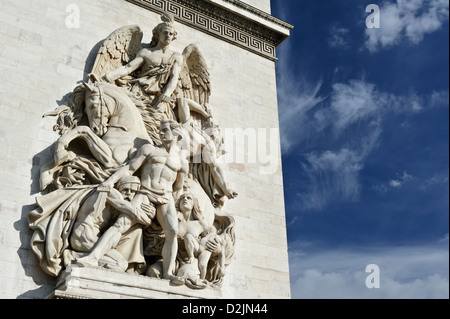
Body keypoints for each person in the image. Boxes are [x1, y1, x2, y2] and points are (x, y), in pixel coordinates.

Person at [95, 119, 189, 284]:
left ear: (176, 134)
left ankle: (167, 273)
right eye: (160, 129)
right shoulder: (149, 149)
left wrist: (176, 208)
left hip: (165, 197)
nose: (160, 132)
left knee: (173, 231)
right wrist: (111, 180)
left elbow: (178, 188)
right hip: (145, 191)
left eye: (165, 130)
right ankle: (93, 256)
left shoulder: (182, 162)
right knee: (121, 223)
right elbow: (130, 168)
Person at [103, 14, 183, 121]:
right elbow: (128, 68)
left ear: (174, 37)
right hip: (140, 90)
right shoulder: (146, 52)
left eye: (171, 34)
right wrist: (110, 76)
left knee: (161, 123)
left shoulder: (176, 56)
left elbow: (174, 77)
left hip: (160, 96)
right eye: (165, 32)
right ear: (158, 34)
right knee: (128, 117)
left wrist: (167, 94)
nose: (168, 35)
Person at [70, 175, 154, 272]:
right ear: (119, 188)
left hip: (91, 237)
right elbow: (132, 210)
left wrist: (151, 213)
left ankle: (80, 256)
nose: (128, 193)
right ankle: (73, 256)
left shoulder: (117, 207)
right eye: (125, 189)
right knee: (119, 264)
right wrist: (148, 220)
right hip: (83, 234)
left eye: (133, 191)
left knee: (121, 264)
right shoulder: (111, 192)